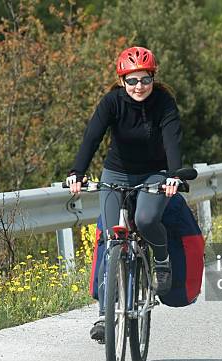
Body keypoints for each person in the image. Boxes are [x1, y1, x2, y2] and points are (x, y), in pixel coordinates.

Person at [65, 46, 183, 342]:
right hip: (116, 172)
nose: (139, 87)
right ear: (122, 81)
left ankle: (161, 260)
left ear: (153, 78)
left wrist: (174, 175)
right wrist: (76, 171)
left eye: (144, 80)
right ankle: (106, 315)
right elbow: (92, 136)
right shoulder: (112, 102)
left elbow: (172, 140)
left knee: (145, 218)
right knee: (109, 238)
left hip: (154, 173)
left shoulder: (164, 102)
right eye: (131, 81)